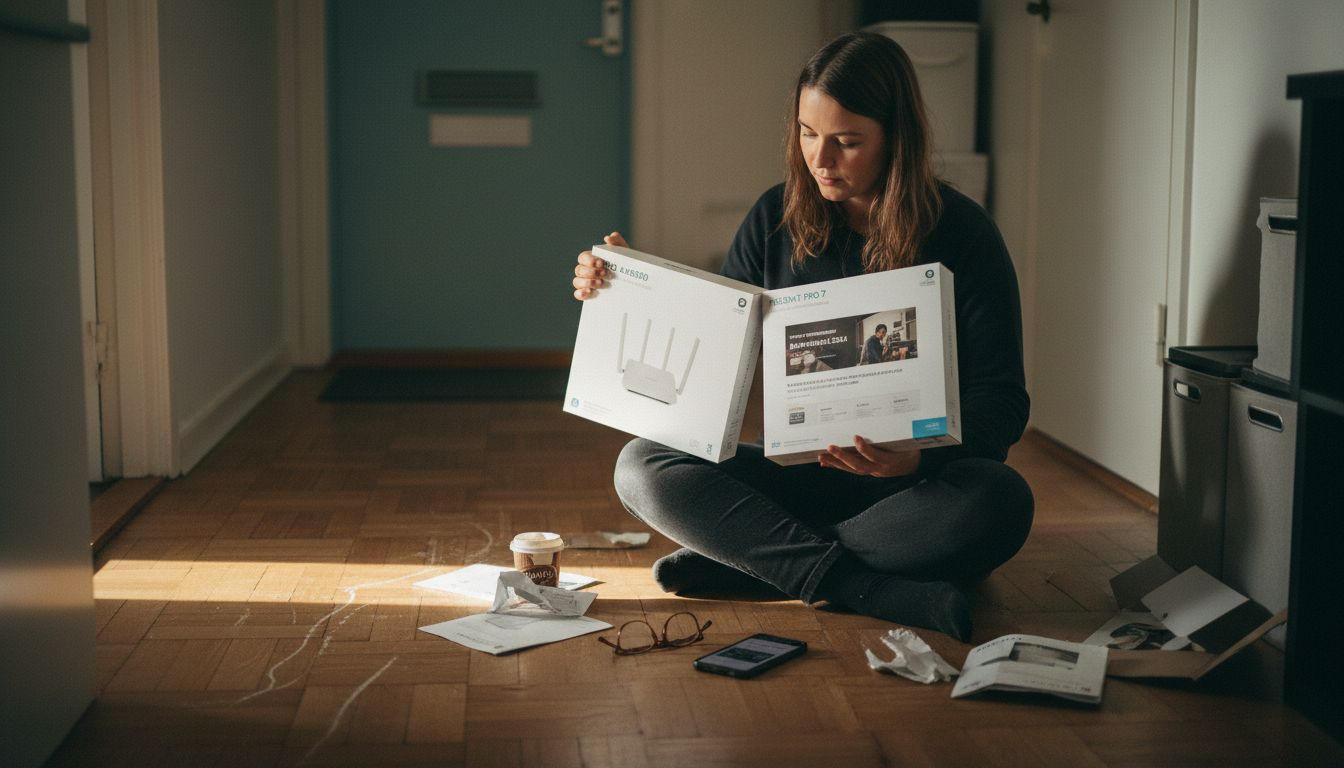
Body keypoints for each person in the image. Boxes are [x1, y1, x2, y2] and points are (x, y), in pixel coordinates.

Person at [570, 32, 1033, 642]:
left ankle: (762, 562)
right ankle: (859, 585)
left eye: (846, 142)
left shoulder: (964, 234)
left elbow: (1002, 398)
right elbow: (717, 362)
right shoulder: (774, 217)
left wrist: (921, 456)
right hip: (790, 476)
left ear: (896, 139)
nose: (821, 160)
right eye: (808, 135)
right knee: (641, 465)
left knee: (1000, 500)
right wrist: (632, 284)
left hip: (906, 491)